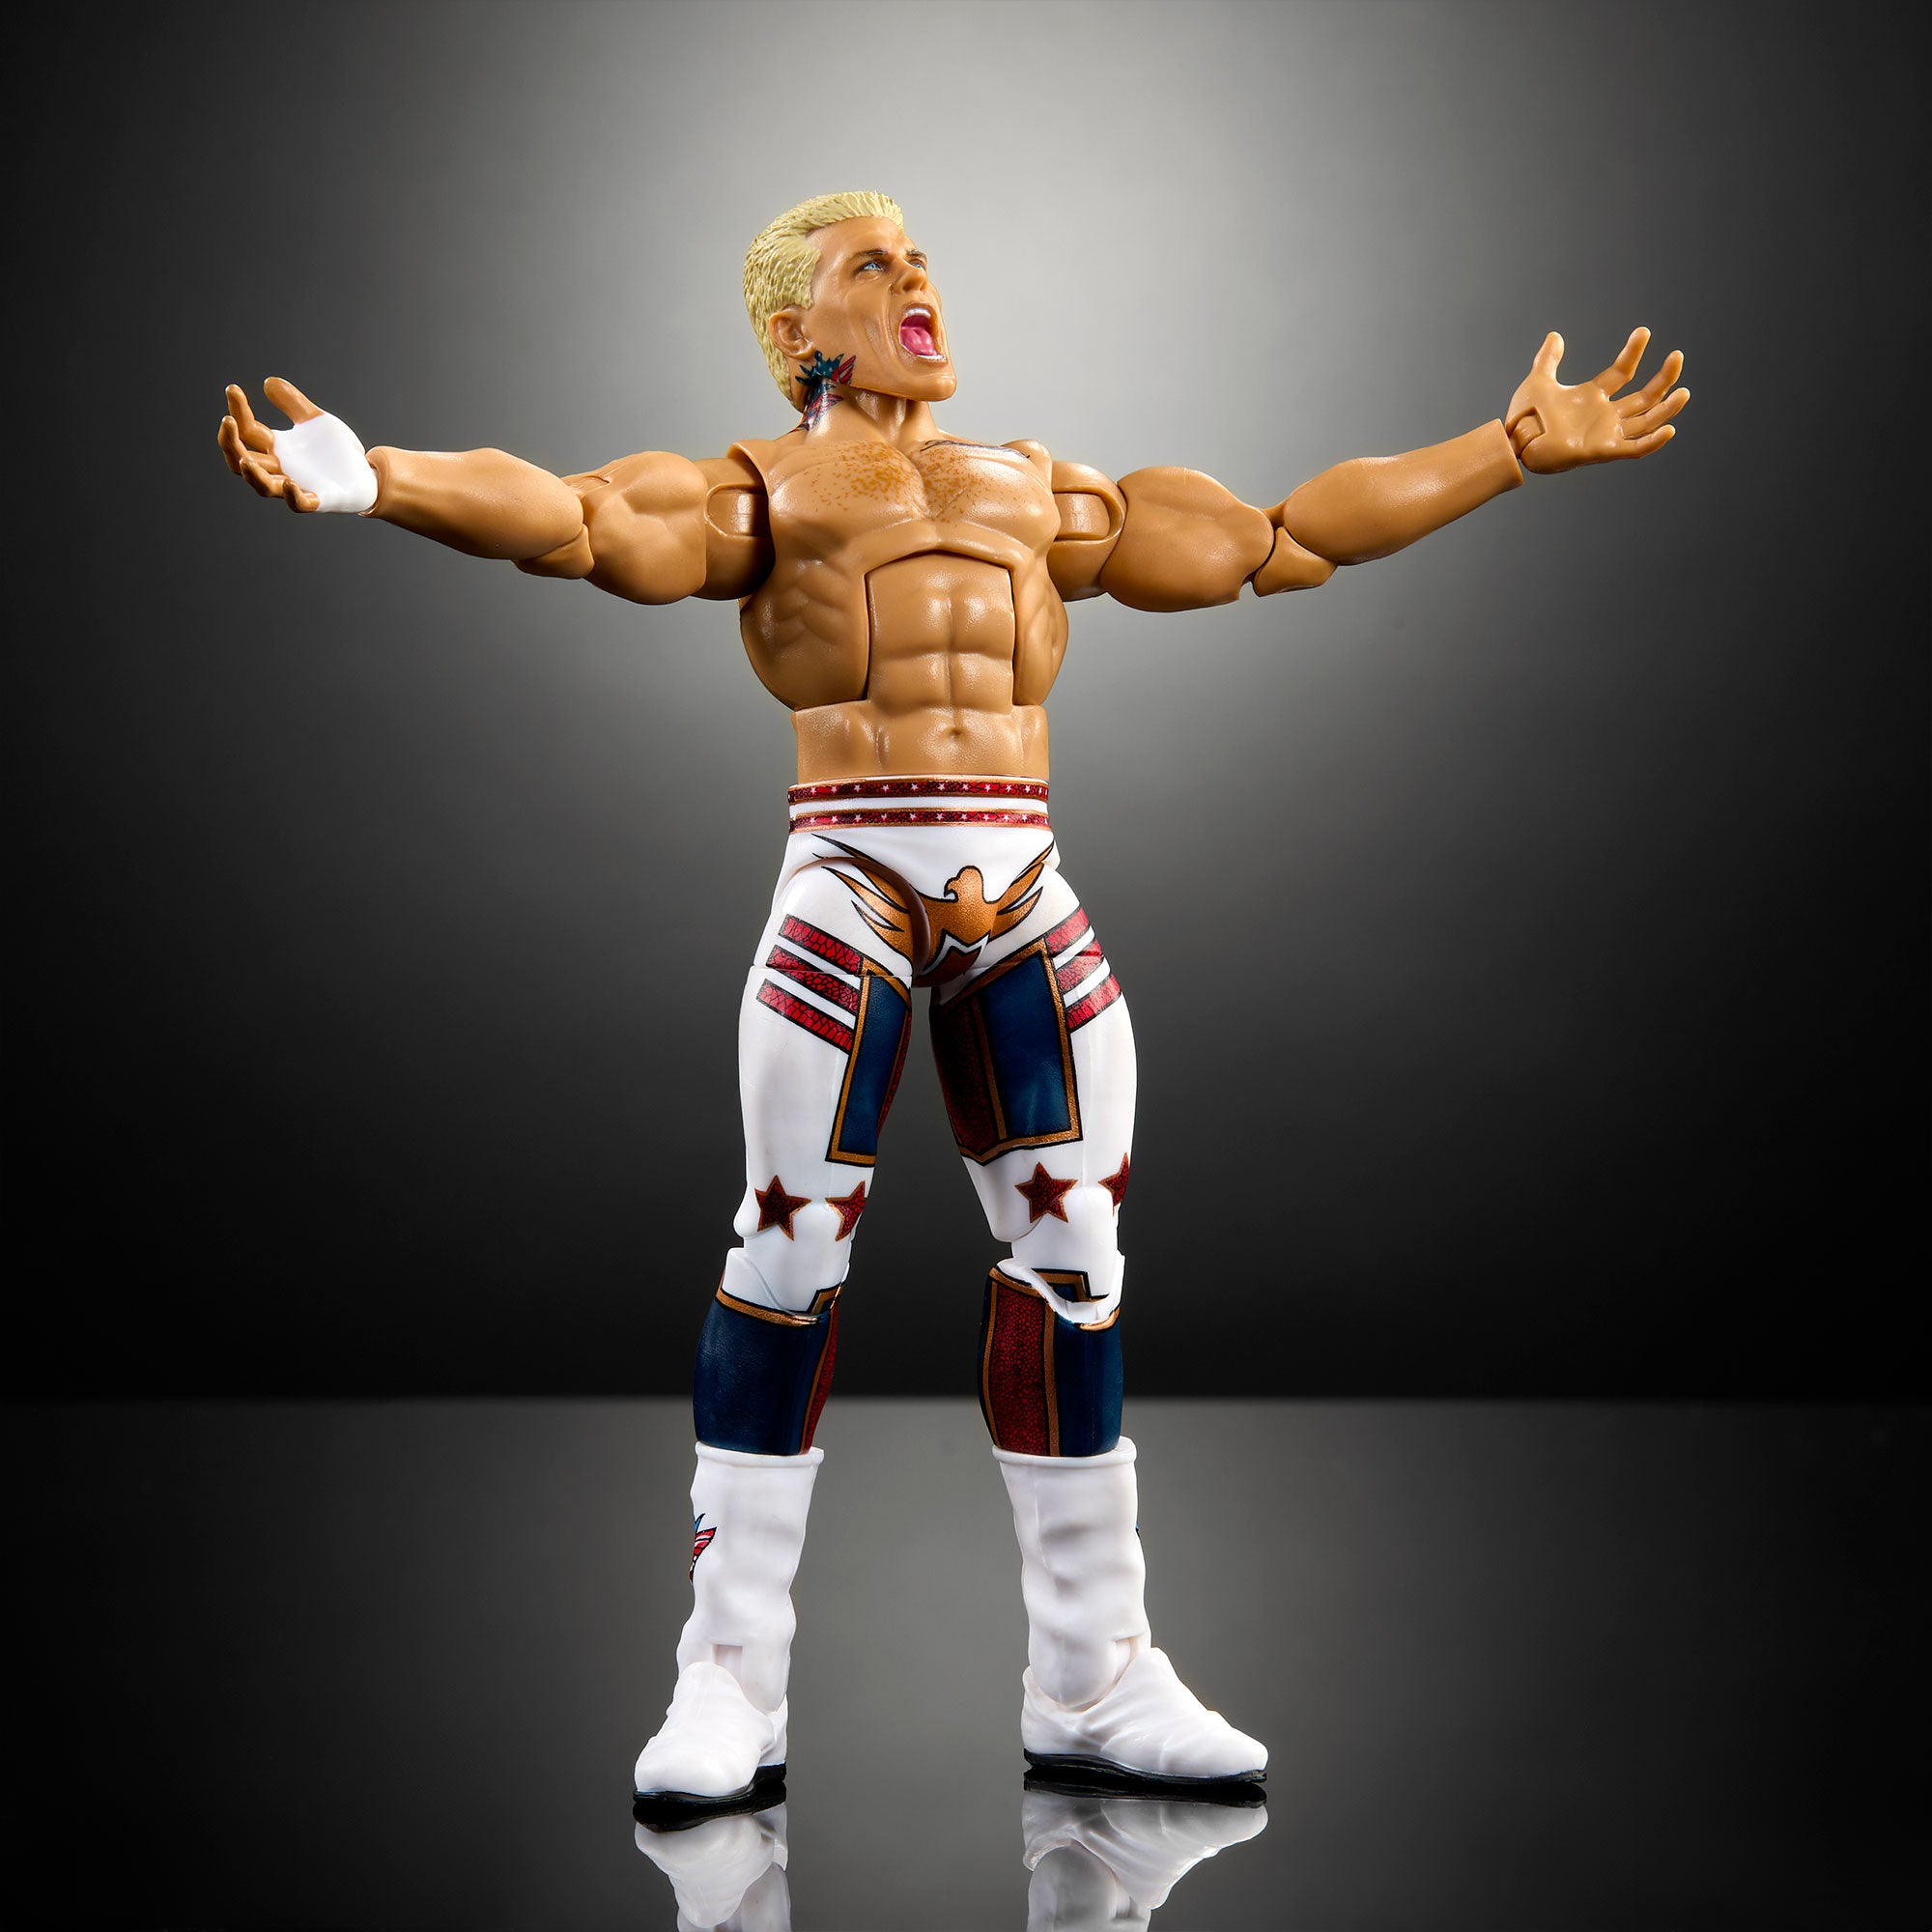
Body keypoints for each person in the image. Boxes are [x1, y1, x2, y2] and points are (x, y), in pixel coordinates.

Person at [218, 188, 1688, 1811]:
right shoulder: (762, 486)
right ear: (799, 331)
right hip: (848, 878)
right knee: (786, 1255)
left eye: (918, 254)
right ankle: (728, 1676)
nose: (916, 272)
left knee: (1077, 1262)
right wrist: (382, 479)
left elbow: (1286, 539)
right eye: (874, 262)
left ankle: (1097, 1677)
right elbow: (577, 520)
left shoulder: (1038, 489)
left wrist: (1505, 448)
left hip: (1022, 889)